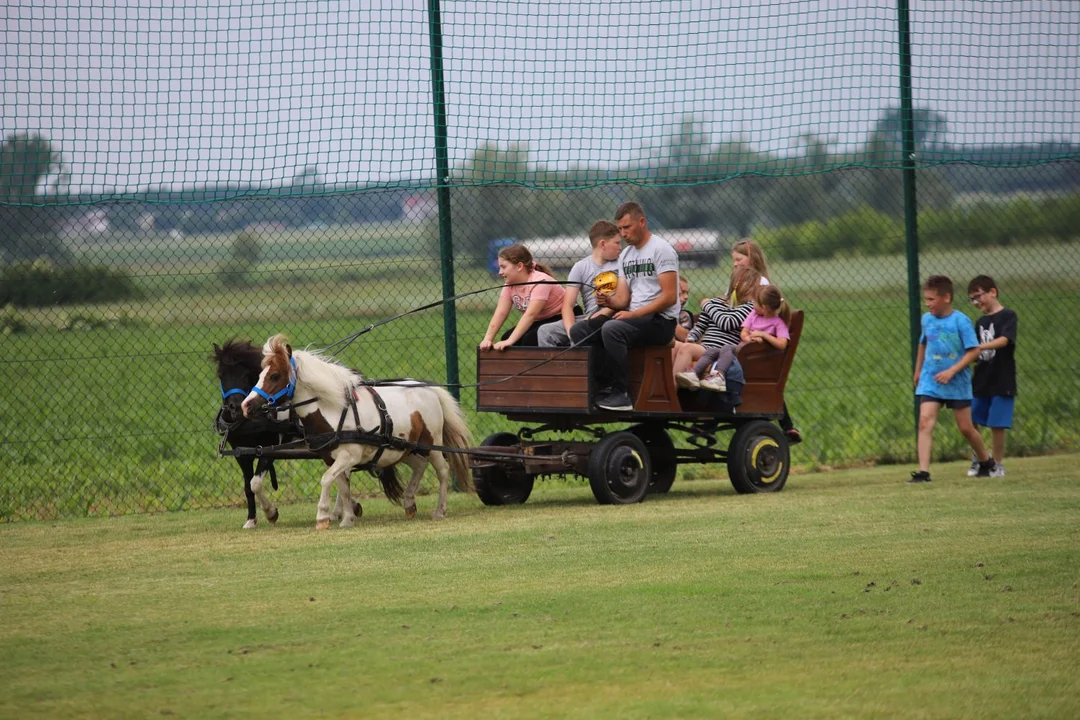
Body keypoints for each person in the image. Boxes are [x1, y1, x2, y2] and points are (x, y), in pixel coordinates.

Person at [569, 202, 680, 412]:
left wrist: (633, 313)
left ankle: (621, 394)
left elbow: (669, 297)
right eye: (620, 229)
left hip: (660, 321)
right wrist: (609, 302)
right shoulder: (627, 256)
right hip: (634, 318)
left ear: (642, 222)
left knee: (612, 329)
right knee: (580, 330)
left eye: (626, 227)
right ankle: (602, 387)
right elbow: (622, 299)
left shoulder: (661, 250)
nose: (623, 233)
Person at [909, 275, 997, 483]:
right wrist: (918, 370)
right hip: (931, 380)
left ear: (946, 297)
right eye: (926, 299)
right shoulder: (926, 319)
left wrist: (952, 371)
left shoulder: (960, 320)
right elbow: (922, 344)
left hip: (956, 382)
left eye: (931, 299)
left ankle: (986, 461)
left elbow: (974, 351)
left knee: (966, 429)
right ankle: (923, 472)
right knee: (924, 422)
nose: (927, 303)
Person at [727, 238, 801, 443]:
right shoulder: (738, 280)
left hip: (753, 342)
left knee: (756, 377)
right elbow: (730, 305)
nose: (734, 264)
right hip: (741, 334)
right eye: (733, 260)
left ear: (751, 259)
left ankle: (786, 425)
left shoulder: (761, 284)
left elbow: (754, 315)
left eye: (738, 259)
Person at [680, 283, 790, 392]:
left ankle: (719, 376)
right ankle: (694, 374)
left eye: (754, 302)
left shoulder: (778, 323)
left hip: (745, 353)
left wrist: (763, 336)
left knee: (727, 347)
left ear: (764, 308)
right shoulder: (753, 315)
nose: (752, 304)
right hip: (743, 347)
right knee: (712, 351)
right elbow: (744, 332)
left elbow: (782, 344)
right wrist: (749, 339)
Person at [537, 221, 621, 348]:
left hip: (613, 317)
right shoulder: (580, 267)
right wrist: (572, 333)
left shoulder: (622, 264)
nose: (620, 247)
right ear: (603, 244)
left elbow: (626, 297)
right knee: (545, 332)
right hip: (588, 319)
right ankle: (559, 367)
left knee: (586, 330)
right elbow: (567, 306)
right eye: (617, 243)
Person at [673, 265, 761, 385]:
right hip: (705, 349)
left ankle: (671, 394)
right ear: (739, 284)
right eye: (753, 286)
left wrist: (707, 305)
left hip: (723, 353)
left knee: (686, 349)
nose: (756, 291)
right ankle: (672, 392)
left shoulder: (750, 308)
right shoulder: (716, 302)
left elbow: (726, 323)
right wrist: (691, 337)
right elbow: (700, 326)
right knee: (674, 347)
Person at [965, 275, 1017, 478]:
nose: (976, 302)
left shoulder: (1008, 316)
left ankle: (997, 463)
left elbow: (1004, 340)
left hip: (1002, 379)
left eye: (978, 296)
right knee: (971, 420)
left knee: (997, 423)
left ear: (992, 292)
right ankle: (980, 458)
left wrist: (979, 347)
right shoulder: (980, 321)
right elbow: (974, 353)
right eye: (972, 299)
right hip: (981, 379)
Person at [480, 244, 566, 351]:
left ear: (519, 266)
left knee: (530, 340)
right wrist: (488, 339)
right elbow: (500, 313)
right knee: (507, 337)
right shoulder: (510, 284)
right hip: (541, 320)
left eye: (503, 267)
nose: (500, 272)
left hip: (562, 317)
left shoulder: (540, 281)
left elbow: (530, 315)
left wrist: (510, 341)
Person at [674, 275, 695, 342]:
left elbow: (684, 337)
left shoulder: (684, 315)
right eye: (682, 292)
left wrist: (668, 317)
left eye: (687, 293)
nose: (686, 297)